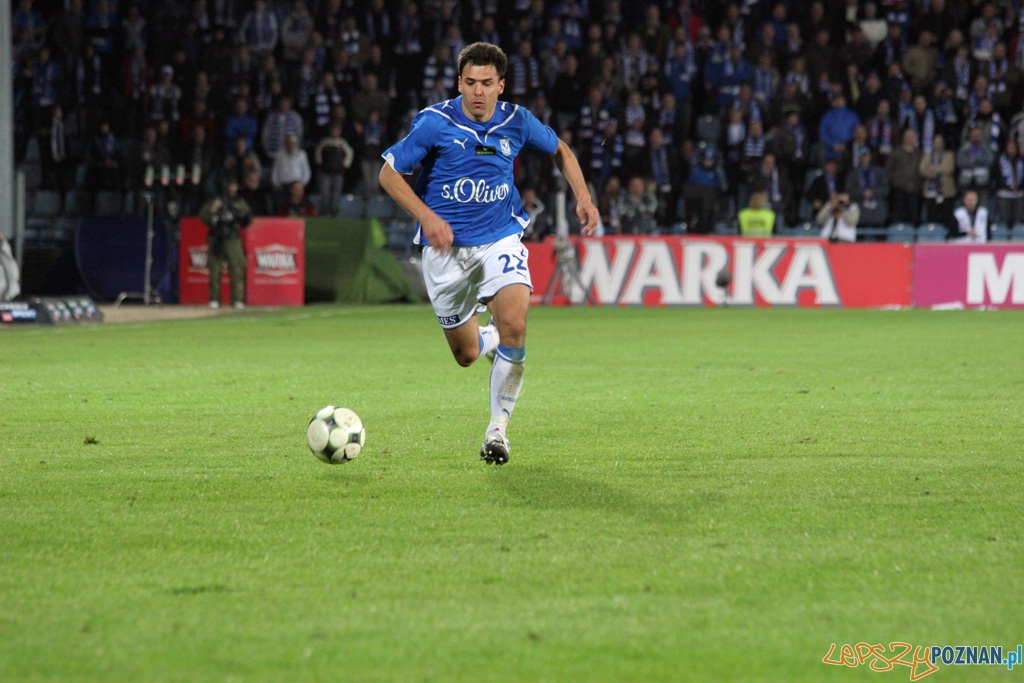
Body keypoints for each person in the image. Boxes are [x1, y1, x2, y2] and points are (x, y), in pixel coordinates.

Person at [378, 42, 599, 465]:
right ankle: (490, 338)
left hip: (499, 240)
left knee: (516, 322)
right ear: (460, 82)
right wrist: (426, 216)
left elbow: (561, 151)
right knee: (465, 355)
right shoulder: (435, 123)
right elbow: (388, 173)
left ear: (501, 85)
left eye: (486, 84)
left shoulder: (517, 120)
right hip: (445, 254)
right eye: (470, 83)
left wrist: (583, 198)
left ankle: (497, 431)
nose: (477, 92)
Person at [199, 176, 253, 309]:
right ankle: (214, 299)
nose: (233, 189)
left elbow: (248, 219)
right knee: (214, 269)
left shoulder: (238, 202)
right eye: (231, 186)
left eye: (235, 186)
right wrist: (214, 210)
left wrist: (240, 213)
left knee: (236, 269)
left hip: (233, 238)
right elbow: (203, 217)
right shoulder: (215, 201)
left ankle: (238, 299)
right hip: (217, 238)